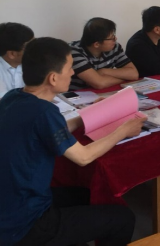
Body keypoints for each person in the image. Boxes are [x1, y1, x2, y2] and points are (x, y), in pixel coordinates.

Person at [0, 37, 145, 246]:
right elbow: (83, 157)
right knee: (123, 218)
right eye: (69, 68)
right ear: (53, 78)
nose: (73, 72)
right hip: (24, 223)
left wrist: (87, 115)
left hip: (10, 202)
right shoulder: (44, 111)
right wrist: (123, 131)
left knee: (87, 195)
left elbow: (49, 131)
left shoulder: (13, 97)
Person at [69, 18, 138, 90]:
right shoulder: (74, 52)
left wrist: (104, 71)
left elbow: (134, 74)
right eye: (111, 38)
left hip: (103, 92)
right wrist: (124, 78)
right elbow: (99, 83)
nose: (115, 39)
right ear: (96, 44)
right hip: (78, 95)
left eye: (113, 35)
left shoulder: (114, 47)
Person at [0, 22, 34, 98]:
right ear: (12, 54)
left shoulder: (30, 62)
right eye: (30, 47)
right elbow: (4, 101)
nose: (36, 49)